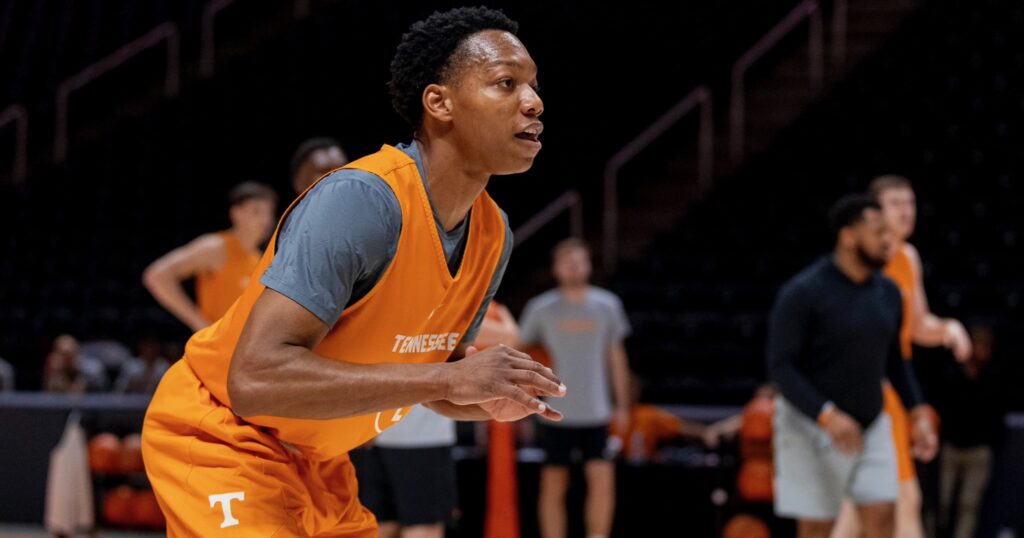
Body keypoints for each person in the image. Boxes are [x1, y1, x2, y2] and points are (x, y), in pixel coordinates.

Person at [141, 7, 563, 537]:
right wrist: (450, 378)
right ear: (439, 103)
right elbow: (253, 380)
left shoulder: (493, 234)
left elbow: (431, 378)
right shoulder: (363, 201)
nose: (534, 101)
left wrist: (480, 398)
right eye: (507, 83)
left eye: (533, 85)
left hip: (321, 461)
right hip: (224, 434)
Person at [767, 195, 937, 538]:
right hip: (810, 424)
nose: (887, 240)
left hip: (870, 423)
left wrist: (917, 411)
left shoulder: (889, 293)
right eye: (878, 232)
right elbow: (781, 367)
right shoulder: (804, 292)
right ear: (848, 236)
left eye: (889, 233)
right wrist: (827, 415)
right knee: (817, 527)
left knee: (883, 512)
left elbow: (895, 363)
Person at [832, 175, 973, 538]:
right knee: (895, 498)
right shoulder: (862, 260)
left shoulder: (908, 257)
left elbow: (916, 325)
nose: (906, 211)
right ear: (874, 213)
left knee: (869, 503)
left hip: (893, 388)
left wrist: (947, 329)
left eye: (910, 203)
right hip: (863, 389)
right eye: (896, 203)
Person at [518, 238, 632, 538]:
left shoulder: (607, 305)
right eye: (568, 261)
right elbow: (522, 356)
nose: (574, 266)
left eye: (580, 260)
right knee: (554, 482)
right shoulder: (540, 308)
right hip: (554, 411)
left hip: (597, 410)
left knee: (602, 481)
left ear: (589, 265)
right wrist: (524, 405)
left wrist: (622, 405)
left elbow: (616, 357)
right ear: (556, 268)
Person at [142, 182, 277, 332]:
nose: (265, 220)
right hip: (214, 349)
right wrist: (199, 323)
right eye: (256, 211)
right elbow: (157, 275)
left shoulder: (260, 259)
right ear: (236, 213)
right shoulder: (216, 247)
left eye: (269, 212)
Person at [935, 324, 1003, 538]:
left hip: (979, 450)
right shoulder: (951, 372)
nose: (981, 350)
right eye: (978, 344)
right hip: (951, 446)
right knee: (941, 502)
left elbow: (998, 415)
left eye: (986, 345)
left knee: (969, 504)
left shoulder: (994, 376)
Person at [42, 334, 107, 393]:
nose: (65, 359)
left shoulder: (91, 371)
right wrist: (53, 373)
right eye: (61, 354)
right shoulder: (54, 370)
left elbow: (75, 396)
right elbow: (49, 395)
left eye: (68, 354)